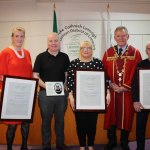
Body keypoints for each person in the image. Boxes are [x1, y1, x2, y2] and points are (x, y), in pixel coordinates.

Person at [102, 26, 142, 150]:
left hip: (128, 92)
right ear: (114, 37)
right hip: (112, 92)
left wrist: (125, 87)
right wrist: (109, 83)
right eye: (118, 36)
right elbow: (103, 71)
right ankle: (111, 140)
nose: (121, 38)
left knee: (127, 115)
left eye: (123, 35)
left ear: (128, 36)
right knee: (111, 115)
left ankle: (124, 141)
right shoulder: (108, 52)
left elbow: (137, 73)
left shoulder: (135, 53)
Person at [67, 41, 108, 150]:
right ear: (80, 50)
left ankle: (90, 145)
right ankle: (81, 145)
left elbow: (105, 80)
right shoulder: (74, 63)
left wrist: (107, 93)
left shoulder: (98, 63)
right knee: (80, 124)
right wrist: (70, 96)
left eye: (88, 48)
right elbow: (70, 81)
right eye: (83, 48)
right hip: (79, 100)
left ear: (92, 50)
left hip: (94, 100)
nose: (86, 50)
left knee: (92, 124)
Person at [33, 32, 70, 150]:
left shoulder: (65, 57)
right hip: (45, 95)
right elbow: (35, 76)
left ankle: (60, 144)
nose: (53, 43)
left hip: (61, 95)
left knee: (60, 121)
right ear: (47, 42)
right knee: (46, 121)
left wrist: (64, 86)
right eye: (51, 41)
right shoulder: (40, 57)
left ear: (59, 42)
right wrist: (48, 88)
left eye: (56, 40)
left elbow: (67, 75)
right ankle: (46, 145)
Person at [0, 27, 32, 150]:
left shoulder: (28, 53)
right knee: (12, 125)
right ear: (12, 37)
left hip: (26, 95)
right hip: (10, 95)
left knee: (25, 123)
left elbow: (29, 73)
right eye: (17, 36)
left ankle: (24, 146)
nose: (19, 38)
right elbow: (1, 75)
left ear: (24, 37)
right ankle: (8, 148)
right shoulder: (5, 52)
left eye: (22, 36)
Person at [132, 41, 150, 150]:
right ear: (146, 51)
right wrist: (135, 101)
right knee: (140, 128)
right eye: (149, 48)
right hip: (143, 103)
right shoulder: (140, 65)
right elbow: (135, 84)